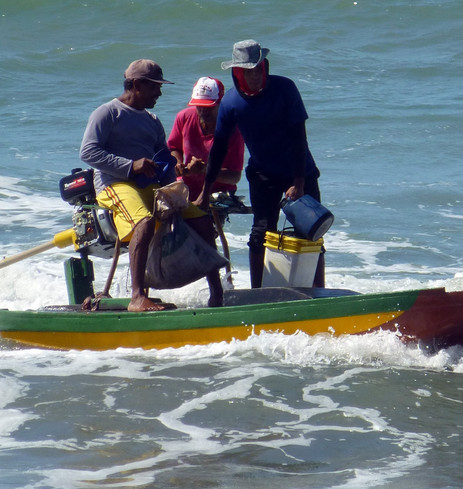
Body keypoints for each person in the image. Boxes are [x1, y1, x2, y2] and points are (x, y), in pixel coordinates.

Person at [80, 59, 224, 312]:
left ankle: (217, 295)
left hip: (150, 186)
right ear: (136, 85)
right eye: (154, 86)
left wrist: (179, 177)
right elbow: (89, 152)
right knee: (143, 222)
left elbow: (163, 160)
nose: (159, 92)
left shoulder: (153, 120)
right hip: (115, 185)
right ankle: (137, 297)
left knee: (200, 219)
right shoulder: (107, 113)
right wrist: (130, 165)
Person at [196, 40, 324, 288]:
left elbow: (299, 137)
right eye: (248, 71)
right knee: (261, 234)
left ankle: (318, 291)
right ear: (237, 72)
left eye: (258, 69)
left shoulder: (284, 89)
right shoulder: (231, 103)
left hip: (300, 171)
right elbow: (219, 148)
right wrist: (205, 191)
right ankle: (258, 293)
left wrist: (298, 182)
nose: (255, 76)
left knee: (311, 232)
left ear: (265, 66)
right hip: (263, 175)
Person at [167, 77, 245, 201]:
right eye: (199, 106)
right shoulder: (184, 117)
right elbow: (174, 148)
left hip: (218, 192)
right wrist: (178, 163)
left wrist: (205, 170)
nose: (203, 111)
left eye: (208, 107)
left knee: (203, 218)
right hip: (186, 186)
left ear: (221, 104)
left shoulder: (233, 129)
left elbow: (234, 176)